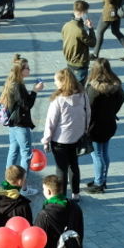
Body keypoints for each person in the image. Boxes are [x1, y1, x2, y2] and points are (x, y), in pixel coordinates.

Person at [41, 68, 91, 204]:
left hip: (60, 140)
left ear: (63, 82)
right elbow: (88, 113)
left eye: (56, 80)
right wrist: (84, 130)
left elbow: (51, 122)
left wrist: (46, 140)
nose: (55, 83)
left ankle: (61, 197)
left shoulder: (58, 100)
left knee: (61, 169)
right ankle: (75, 194)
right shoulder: (82, 94)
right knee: (74, 165)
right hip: (77, 137)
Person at [0, 55, 43, 186]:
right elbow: (26, 105)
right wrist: (35, 91)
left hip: (13, 123)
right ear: (20, 70)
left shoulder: (12, 83)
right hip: (20, 124)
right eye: (27, 68)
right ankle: (22, 185)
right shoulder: (18, 86)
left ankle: (8, 180)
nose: (29, 70)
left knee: (13, 150)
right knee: (26, 154)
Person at [85, 58, 124, 195]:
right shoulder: (116, 85)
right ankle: (103, 179)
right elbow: (122, 99)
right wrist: (112, 111)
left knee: (97, 155)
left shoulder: (93, 89)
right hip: (109, 124)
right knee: (104, 153)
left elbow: (88, 108)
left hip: (95, 126)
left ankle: (98, 183)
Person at [61, 1, 97, 84]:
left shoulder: (66, 25)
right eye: (86, 12)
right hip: (79, 63)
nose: (87, 14)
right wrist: (90, 28)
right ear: (83, 13)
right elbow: (92, 43)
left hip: (69, 60)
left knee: (71, 84)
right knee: (79, 88)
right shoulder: (80, 30)